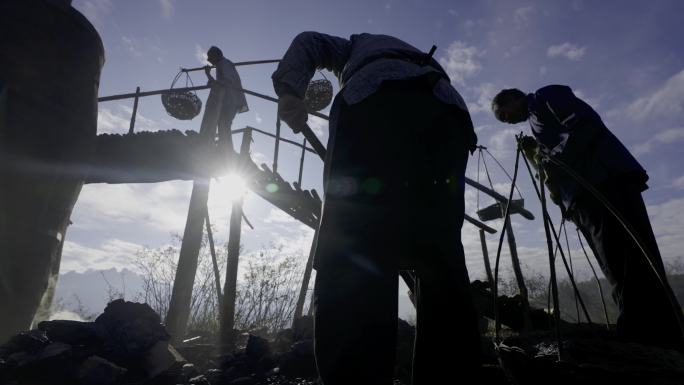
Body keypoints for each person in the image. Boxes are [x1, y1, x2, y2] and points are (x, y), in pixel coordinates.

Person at [272, 32, 481, 385]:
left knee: (354, 241)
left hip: (376, 99)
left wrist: (290, 91)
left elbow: (309, 42)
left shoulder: (354, 46)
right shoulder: (411, 52)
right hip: (446, 111)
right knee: (439, 255)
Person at [491, 85, 684, 351]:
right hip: (585, 194)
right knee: (614, 260)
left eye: (505, 115)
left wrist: (551, 159)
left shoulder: (545, 98)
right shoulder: (537, 123)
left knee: (625, 256)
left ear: (513, 98)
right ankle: (661, 328)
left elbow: (584, 125)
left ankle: (646, 330)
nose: (508, 121)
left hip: (601, 182)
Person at [204, 46, 248, 152]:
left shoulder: (224, 63)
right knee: (223, 125)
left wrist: (209, 76)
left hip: (230, 100)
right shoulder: (222, 64)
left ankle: (226, 151)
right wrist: (210, 77)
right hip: (229, 100)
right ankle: (225, 149)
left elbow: (228, 81)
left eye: (210, 57)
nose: (208, 60)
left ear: (216, 55)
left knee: (223, 124)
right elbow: (220, 83)